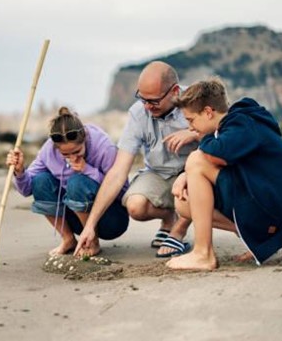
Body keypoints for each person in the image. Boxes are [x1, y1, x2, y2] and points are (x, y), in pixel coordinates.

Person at [166, 78, 282, 270]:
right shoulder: (235, 127)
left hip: (276, 212)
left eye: (191, 120)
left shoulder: (243, 122)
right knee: (184, 204)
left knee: (196, 159)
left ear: (208, 112)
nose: (191, 127)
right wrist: (186, 175)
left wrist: (200, 139)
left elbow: (218, 155)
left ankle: (203, 253)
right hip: (268, 205)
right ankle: (257, 238)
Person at [75, 61, 200, 258]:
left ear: (175, 91)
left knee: (199, 175)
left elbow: (222, 135)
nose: (148, 107)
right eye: (143, 99)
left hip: (193, 172)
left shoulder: (196, 101)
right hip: (158, 173)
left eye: (154, 101)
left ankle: (178, 230)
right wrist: (89, 226)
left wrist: (194, 133)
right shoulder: (138, 113)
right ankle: (169, 216)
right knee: (135, 206)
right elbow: (118, 171)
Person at [6, 107, 129, 256]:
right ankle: (68, 239)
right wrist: (19, 172)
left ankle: (92, 242)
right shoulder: (48, 150)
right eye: (65, 154)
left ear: (84, 138)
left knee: (77, 182)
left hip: (110, 218)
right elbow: (27, 189)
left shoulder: (103, 146)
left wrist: (87, 170)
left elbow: (122, 191)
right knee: (40, 181)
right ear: (55, 147)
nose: (72, 157)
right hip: (74, 216)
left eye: (77, 151)